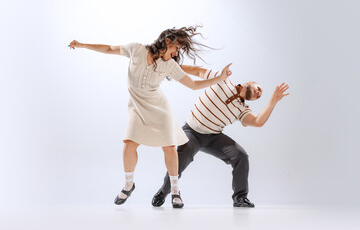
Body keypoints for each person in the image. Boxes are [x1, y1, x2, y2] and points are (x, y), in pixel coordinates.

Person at [68, 26, 232, 208]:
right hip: (137, 107)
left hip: (159, 108)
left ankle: (175, 191)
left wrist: (219, 78)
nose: (177, 52)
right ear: (168, 40)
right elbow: (109, 48)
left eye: (179, 51)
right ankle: (129, 185)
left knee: (169, 147)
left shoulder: (169, 65)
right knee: (129, 144)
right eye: (176, 48)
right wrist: (82, 45)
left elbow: (193, 85)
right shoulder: (136, 49)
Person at [152, 65, 289, 207]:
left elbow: (257, 121)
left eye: (258, 96)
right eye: (258, 89)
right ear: (249, 83)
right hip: (192, 131)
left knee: (241, 156)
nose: (257, 94)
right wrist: (171, 67)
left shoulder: (242, 109)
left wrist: (273, 101)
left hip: (213, 137)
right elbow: (197, 71)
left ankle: (240, 198)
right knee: (180, 161)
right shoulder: (222, 80)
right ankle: (164, 191)